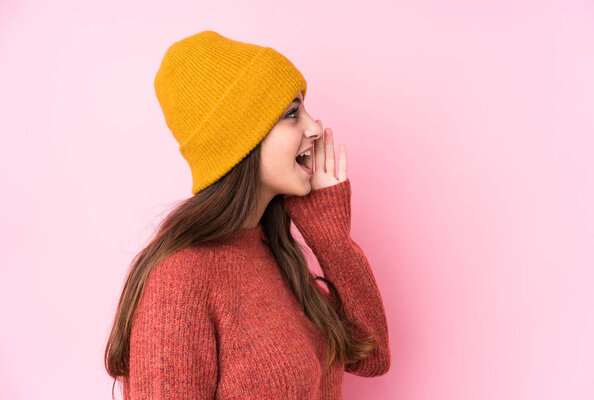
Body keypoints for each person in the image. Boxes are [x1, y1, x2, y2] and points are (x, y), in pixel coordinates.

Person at [104, 30, 390, 399]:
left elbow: (373, 356)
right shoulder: (180, 281)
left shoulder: (276, 255)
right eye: (291, 114)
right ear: (240, 140)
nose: (315, 127)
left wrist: (331, 237)